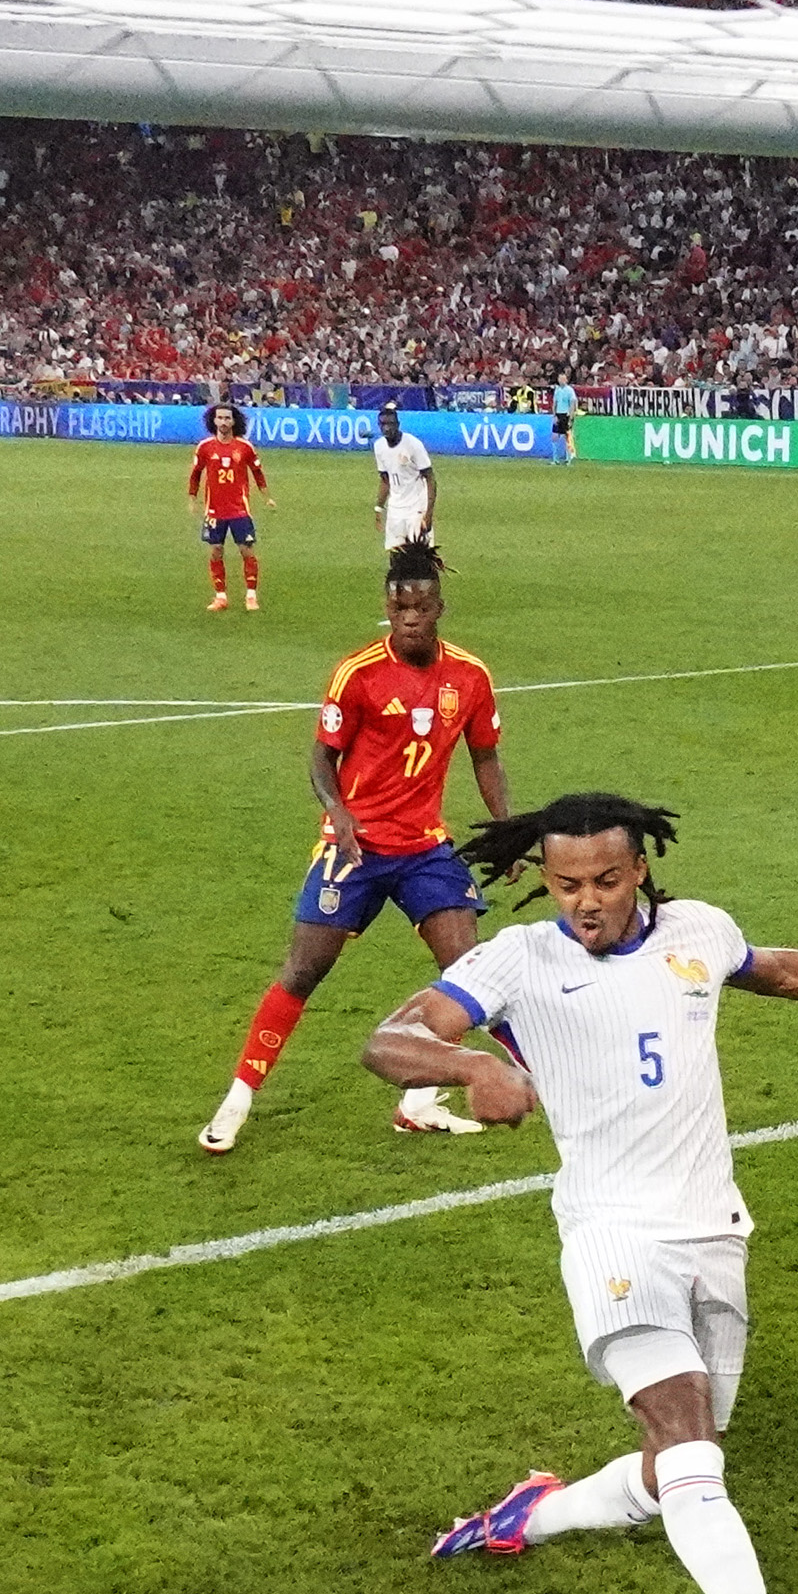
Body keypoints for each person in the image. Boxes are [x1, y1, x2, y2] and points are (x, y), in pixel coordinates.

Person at [361, 792, 798, 1594]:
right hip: (612, 1237)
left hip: (713, 1230)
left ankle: (530, 1516)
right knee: (686, 1437)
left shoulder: (698, 931)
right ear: (546, 880)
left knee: (681, 1466)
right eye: (567, 883)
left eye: (606, 880)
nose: (586, 901)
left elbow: (781, 971)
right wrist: (468, 1063)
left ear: (639, 871)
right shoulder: (519, 960)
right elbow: (390, 1037)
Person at [198, 537, 509, 1154]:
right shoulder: (359, 674)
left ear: (439, 605)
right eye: (399, 607)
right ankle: (237, 1098)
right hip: (357, 848)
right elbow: (321, 755)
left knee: (470, 974)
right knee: (304, 969)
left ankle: (419, 1100)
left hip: (424, 849)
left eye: (421, 605)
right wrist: (336, 811)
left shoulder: (469, 677)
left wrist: (509, 827)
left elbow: (486, 756)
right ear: (387, 609)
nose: (410, 616)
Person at [188, 404, 274, 611]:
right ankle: (220, 596)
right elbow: (196, 473)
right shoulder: (205, 447)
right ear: (214, 421)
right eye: (220, 418)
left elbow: (257, 472)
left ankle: (251, 595)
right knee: (216, 551)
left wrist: (266, 497)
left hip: (239, 510)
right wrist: (192, 498)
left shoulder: (244, 447)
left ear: (234, 421)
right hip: (214, 511)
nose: (224, 422)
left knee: (247, 551)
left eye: (228, 418)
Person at [370, 402, 436, 565]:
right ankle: (398, 589)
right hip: (395, 510)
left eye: (390, 424)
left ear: (398, 425)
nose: (387, 428)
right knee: (395, 555)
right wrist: (379, 507)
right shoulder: (379, 447)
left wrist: (428, 514)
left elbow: (430, 478)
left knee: (421, 556)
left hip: (416, 508)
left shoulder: (413, 444)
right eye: (383, 424)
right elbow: (386, 480)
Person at [550, 376, 579, 464]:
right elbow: (555, 403)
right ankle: (555, 459)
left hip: (566, 414)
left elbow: (572, 403)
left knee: (567, 437)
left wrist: (570, 416)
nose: (561, 380)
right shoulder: (557, 390)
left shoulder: (570, 390)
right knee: (554, 437)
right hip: (558, 414)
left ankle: (568, 459)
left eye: (563, 379)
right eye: (559, 379)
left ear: (566, 380)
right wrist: (554, 415)